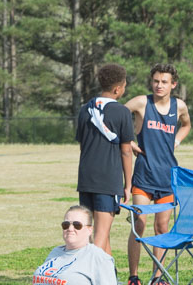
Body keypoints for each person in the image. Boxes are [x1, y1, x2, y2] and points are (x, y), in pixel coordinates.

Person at [124, 64, 191, 285]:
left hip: (167, 177)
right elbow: (116, 117)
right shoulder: (142, 103)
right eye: (155, 81)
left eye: (164, 82)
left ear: (173, 84)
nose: (159, 85)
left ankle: (158, 278)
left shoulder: (179, 106)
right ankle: (133, 277)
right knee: (139, 223)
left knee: (162, 228)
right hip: (144, 175)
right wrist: (129, 142)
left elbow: (186, 125)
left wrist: (177, 141)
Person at [75, 63, 134, 255]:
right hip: (107, 181)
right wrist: (128, 184)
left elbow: (82, 145)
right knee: (99, 237)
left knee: (97, 234)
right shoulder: (122, 112)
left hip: (86, 179)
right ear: (118, 88)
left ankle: (109, 276)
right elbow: (126, 151)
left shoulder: (85, 109)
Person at [33, 206, 118, 285]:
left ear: (89, 230)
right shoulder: (56, 252)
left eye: (77, 225)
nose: (70, 229)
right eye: (66, 225)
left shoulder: (98, 258)